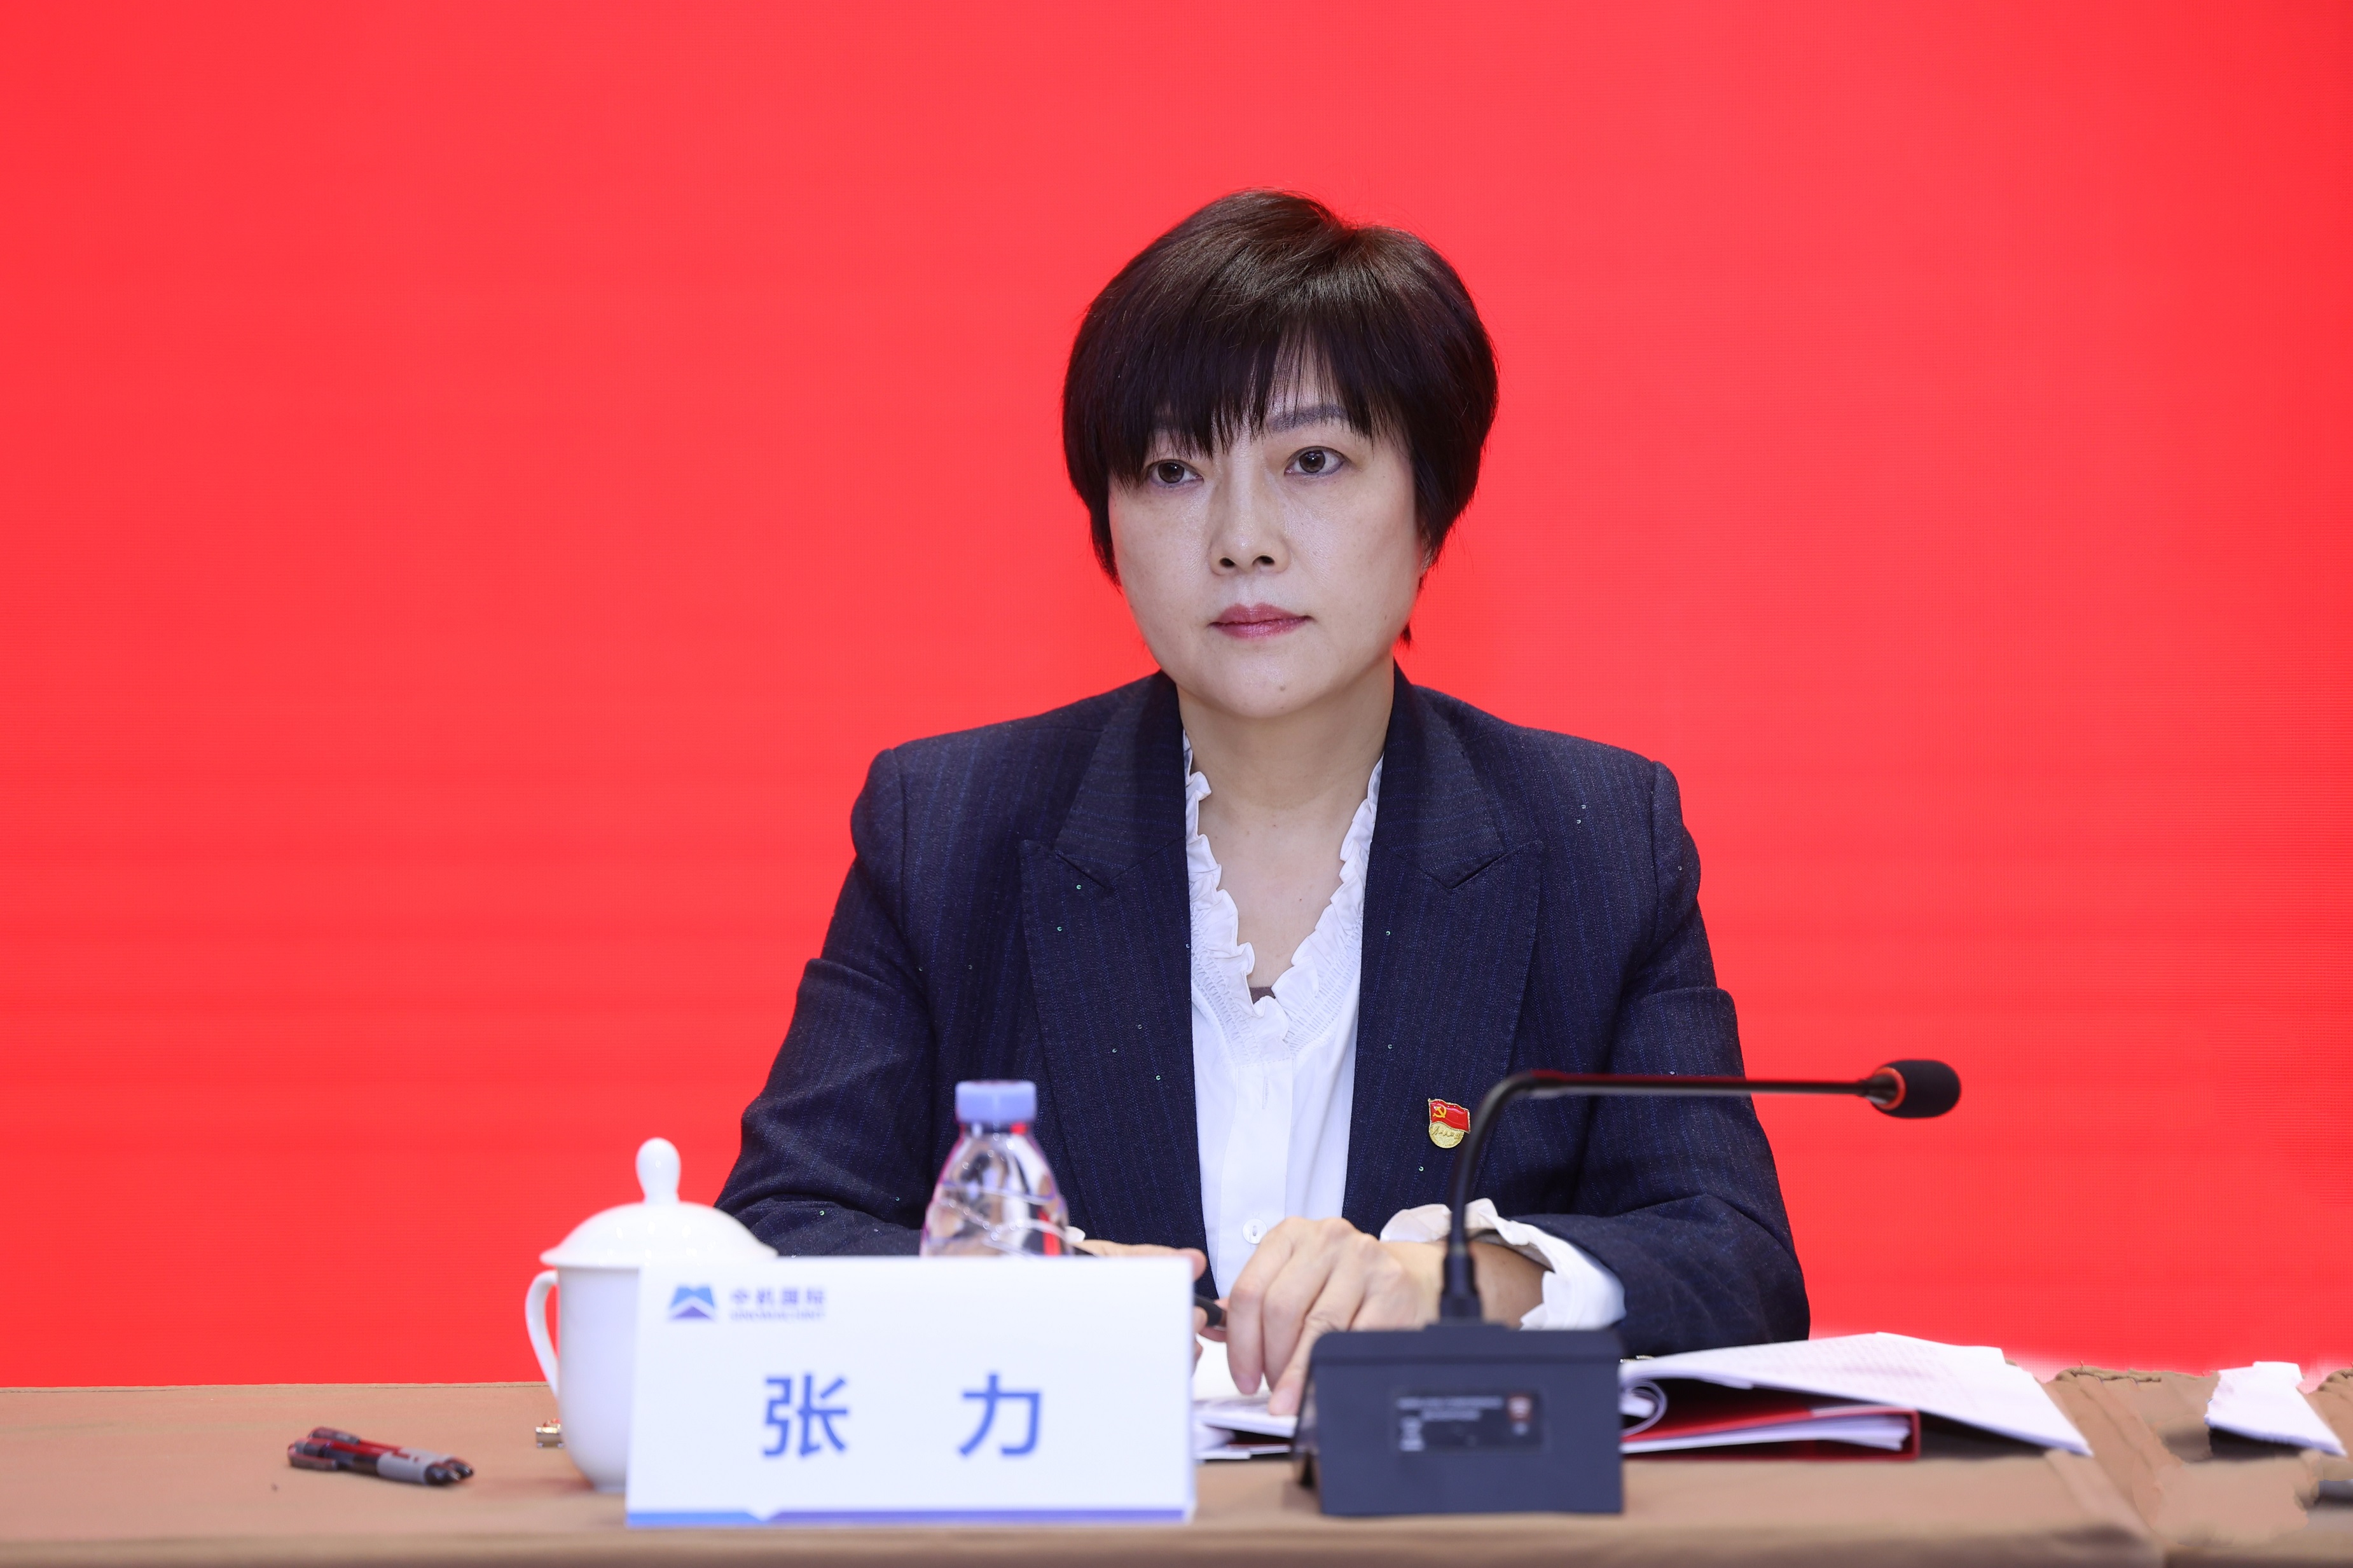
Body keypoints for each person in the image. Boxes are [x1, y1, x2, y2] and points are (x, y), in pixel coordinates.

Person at [718, 189, 1807, 1416]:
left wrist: (1469, 1278)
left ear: (1431, 505)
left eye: (1313, 462)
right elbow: (774, 1233)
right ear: (1108, 519)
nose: (1242, 539)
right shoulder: (949, 827)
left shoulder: (1596, 837)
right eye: (1174, 470)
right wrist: (1035, 1287)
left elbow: (1735, 1259)